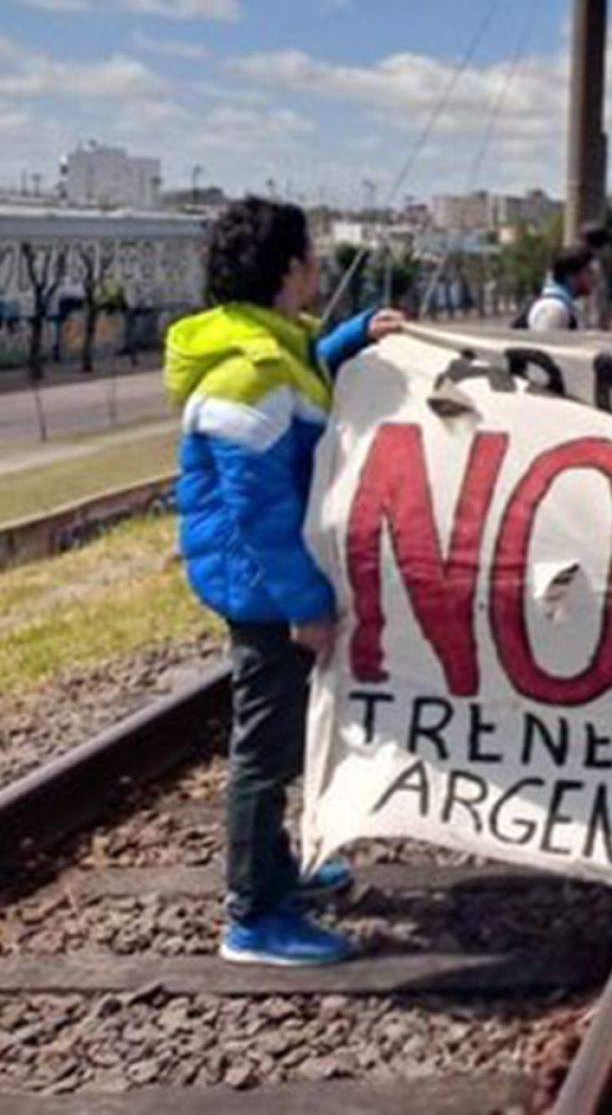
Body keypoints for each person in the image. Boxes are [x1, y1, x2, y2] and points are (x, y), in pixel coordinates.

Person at [166, 197, 405, 966]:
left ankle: (275, 876)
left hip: (263, 578)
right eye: (310, 255)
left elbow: (305, 374)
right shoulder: (251, 375)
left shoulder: (268, 347)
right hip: (261, 585)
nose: (318, 267)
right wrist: (305, 603)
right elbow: (260, 511)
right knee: (264, 752)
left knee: (278, 737)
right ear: (288, 270)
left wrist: (351, 336)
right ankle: (253, 917)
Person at [522, 242, 597, 331]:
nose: (594, 279)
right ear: (571, 276)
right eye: (590, 272)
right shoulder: (553, 310)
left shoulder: (563, 307)